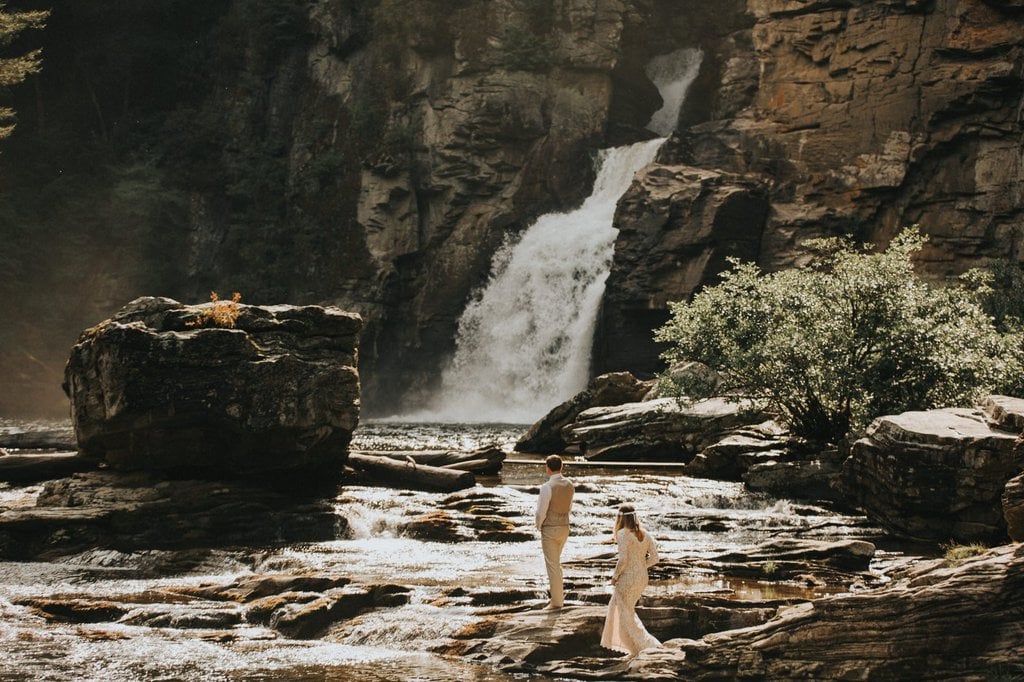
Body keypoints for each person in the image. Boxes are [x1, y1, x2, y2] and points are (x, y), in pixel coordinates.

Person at [601, 504, 660, 658]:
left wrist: (615, 577)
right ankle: (635, 649)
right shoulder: (645, 534)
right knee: (627, 612)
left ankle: (645, 646)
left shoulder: (622, 533)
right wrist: (641, 566)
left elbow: (623, 559)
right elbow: (655, 558)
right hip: (642, 578)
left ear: (620, 518)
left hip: (628, 579)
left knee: (623, 613)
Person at [535, 454, 574, 610]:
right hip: (564, 527)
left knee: (553, 566)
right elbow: (569, 507)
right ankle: (558, 598)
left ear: (548, 468)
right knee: (556, 564)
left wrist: (539, 526)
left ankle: (556, 602)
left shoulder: (547, 487)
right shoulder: (569, 484)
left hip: (550, 528)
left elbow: (541, 511)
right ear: (561, 467)